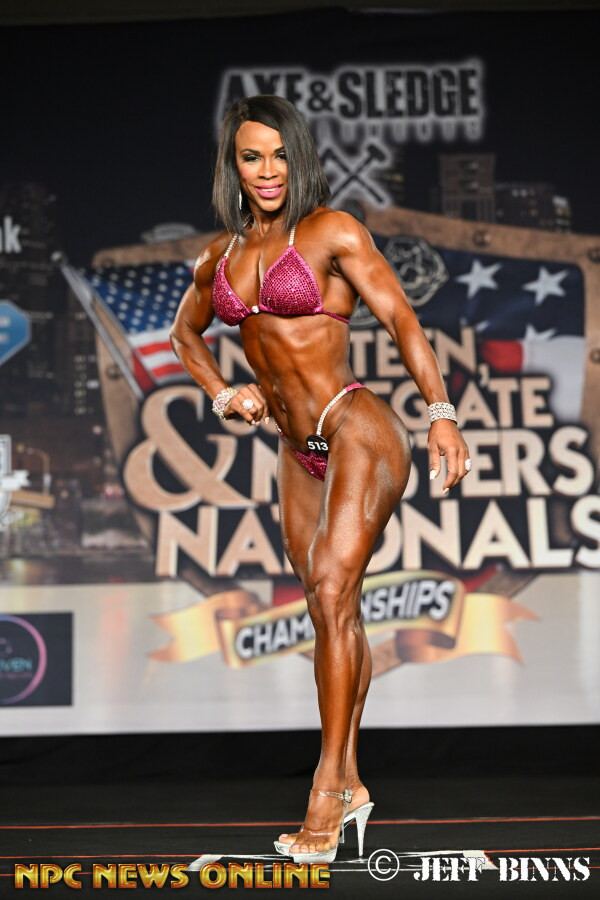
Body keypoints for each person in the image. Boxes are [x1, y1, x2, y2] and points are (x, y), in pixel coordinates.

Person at [170, 94, 471, 864]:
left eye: (279, 154)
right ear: (234, 165)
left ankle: (327, 791)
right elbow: (185, 334)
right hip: (295, 448)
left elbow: (401, 318)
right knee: (329, 610)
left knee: (334, 591)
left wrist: (441, 413)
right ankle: (354, 783)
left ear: (297, 157)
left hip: (355, 424)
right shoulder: (218, 256)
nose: (268, 170)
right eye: (252, 156)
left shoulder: (332, 231)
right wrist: (221, 392)